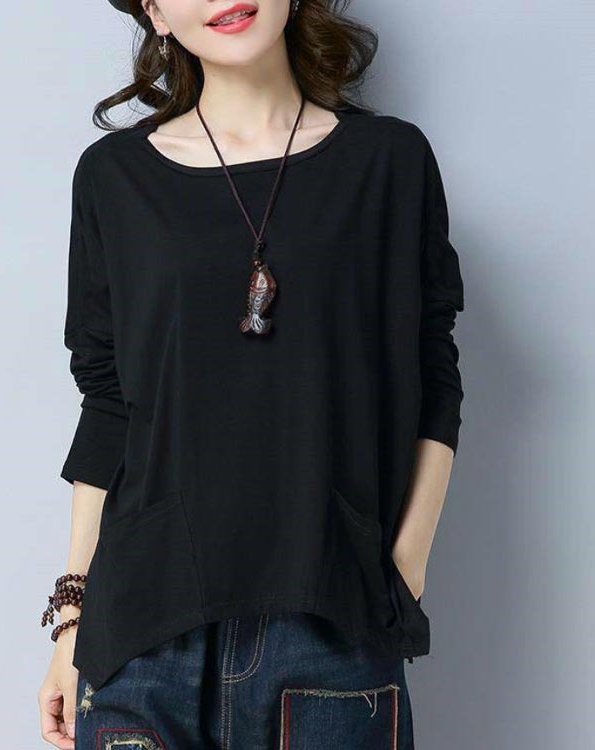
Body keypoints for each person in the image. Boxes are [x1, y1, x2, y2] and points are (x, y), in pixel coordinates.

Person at [38, 0, 465, 748]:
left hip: (329, 620)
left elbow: (434, 372)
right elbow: (108, 402)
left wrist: (406, 565)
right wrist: (73, 616)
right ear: (155, 12)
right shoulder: (113, 176)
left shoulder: (388, 161)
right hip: (142, 633)